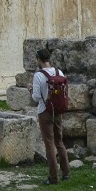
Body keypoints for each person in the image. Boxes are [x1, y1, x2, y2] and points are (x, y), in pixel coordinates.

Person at [30, 46, 69, 183]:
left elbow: (35, 97)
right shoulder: (59, 72)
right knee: (59, 142)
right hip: (58, 111)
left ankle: (53, 177)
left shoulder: (39, 75)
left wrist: (31, 90)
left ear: (39, 59)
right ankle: (66, 173)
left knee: (49, 144)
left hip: (45, 111)